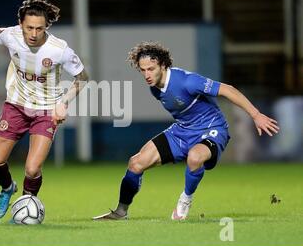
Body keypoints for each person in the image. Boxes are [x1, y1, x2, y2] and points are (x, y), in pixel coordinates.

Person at [93, 41, 279, 221]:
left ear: (163, 65)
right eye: (142, 70)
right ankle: (120, 212)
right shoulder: (155, 89)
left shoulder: (187, 81)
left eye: (151, 69)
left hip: (211, 129)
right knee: (135, 163)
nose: (147, 74)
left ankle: (185, 199)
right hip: (182, 131)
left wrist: (256, 115)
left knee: (195, 157)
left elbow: (227, 89)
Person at [0, 0, 89, 219]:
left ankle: (27, 206)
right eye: (29, 28)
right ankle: (8, 188)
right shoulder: (11, 35)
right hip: (16, 106)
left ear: (46, 26)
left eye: (39, 28)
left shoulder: (59, 50)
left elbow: (83, 78)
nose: (34, 34)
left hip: (46, 111)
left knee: (32, 169)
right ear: (21, 24)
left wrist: (63, 103)